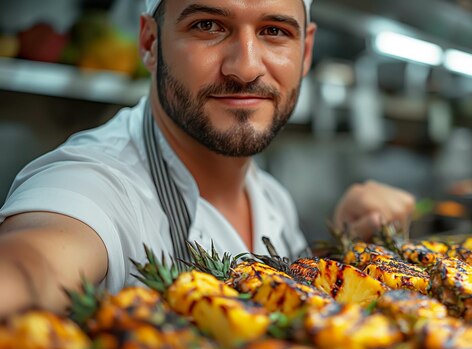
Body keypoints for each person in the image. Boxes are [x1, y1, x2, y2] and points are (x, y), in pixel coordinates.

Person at [0, 0, 415, 318]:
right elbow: (32, 264)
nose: (246, 68)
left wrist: (343, 259)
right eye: (208, 26)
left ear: (305, 52)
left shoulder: (271, 197)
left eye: (274, 31)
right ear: (150, 42)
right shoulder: (93, 184)